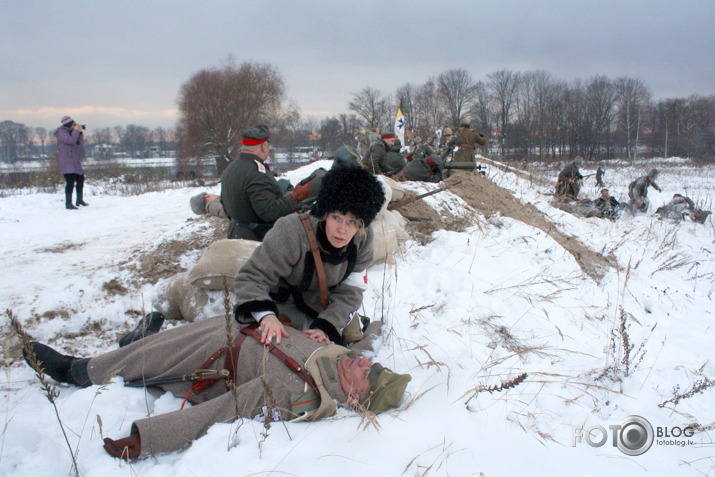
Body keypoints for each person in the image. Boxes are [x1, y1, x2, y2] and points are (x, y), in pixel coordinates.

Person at [23, 313, 411, 459]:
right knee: (158, 346)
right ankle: (133, 344)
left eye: (367, 374)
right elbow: (364, 343)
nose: (363, 363)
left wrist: (149, 438)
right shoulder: (339, 358)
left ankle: (79, 370)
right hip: (232, 326)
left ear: (355, 397)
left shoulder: (301, 396)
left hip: (212, 354)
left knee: (155, 360)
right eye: (371, 365)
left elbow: (226, 411)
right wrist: (371, 325)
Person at [233, 166, 386, 346]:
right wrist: (266, 316)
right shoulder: (291, 231)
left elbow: (351, 290)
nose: (342, 230)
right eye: (337, 217)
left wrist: (326, 326)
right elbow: (251, 278)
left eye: (352, 222)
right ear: (325, 213)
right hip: (285, 304)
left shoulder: (363, 238)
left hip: (327, 306)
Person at [219, 124, 311, 241]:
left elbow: (224, 203)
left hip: (236, 234)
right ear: (263, 146)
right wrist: (295, 197)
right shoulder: (256, 173)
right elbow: (268, 212)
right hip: (255, 240)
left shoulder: (231, 168)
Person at [54, 116, 88, 210]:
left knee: (80, 179)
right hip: (66, 161)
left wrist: (79, 132)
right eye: (73, 124)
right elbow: (71, 140)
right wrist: (76, 131)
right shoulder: (61, 132)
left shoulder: (72, 132)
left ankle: (79, 200)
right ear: (69, 124)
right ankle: (68, 203)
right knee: (70, 182)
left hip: (74, 160)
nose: (75, 125)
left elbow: (78, 143)